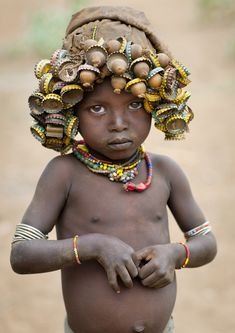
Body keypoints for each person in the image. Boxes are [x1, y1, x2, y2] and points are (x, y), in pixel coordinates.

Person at [10, 6, 217, 333]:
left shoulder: (165, 172)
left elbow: (206, 242)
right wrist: (91, 246)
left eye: (134, 104)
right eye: (97, 108)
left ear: (154, 103)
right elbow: (22, 255)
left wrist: (175, 255)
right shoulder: (64, 174)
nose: (118, 124)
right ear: (72, 110)